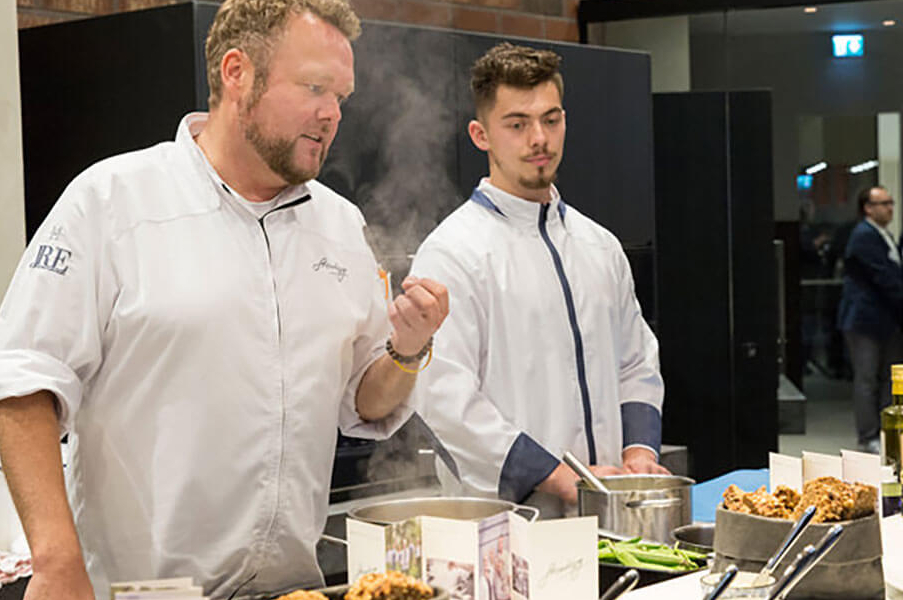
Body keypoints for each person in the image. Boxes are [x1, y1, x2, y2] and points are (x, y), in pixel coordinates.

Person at [0, 1, 448, 598]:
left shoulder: (341, 226)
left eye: (341, 96)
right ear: (237, 73)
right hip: (142, 592)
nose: (332, 114)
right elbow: (23, 380)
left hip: (293, 590)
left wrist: (407, 350)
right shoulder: (111, 201)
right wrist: (56, 560)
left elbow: (364, 400)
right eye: (314, 88)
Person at [409, 43, 667, 518]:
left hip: (611, 516)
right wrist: (560, 478)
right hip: (507, 527)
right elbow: (444, 400)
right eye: (517, 124)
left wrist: (639, 453)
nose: (539, 139)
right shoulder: (452, 254)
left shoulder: (600, 246)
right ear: (481, 135)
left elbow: (636, 363)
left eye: (551, 120)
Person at [837, 186, 903, 453]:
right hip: (864, 320)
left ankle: (884, 431)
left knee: (889, 377)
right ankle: (868, 436)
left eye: (891, 202)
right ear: (867, 208)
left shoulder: (882, 233)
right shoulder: (864, 236)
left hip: (883, 319)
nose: (890, 208)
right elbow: (884, 277)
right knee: (867, 379)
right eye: (883, 203)